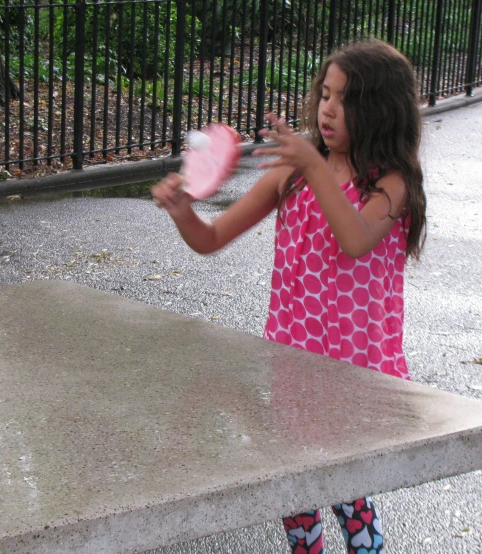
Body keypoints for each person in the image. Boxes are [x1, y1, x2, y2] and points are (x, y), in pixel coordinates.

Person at [151, 38, 427, 554]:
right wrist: (183, 210)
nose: (328, 108)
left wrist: (315, 166)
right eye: (325, 94)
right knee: (294, 492)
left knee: (346, 488)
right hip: (292, 361)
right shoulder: (293, 173)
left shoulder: (391, 186)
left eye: (345, 98)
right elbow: (211, 240)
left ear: (380, 110)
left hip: (357, 368)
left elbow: (354, 240)